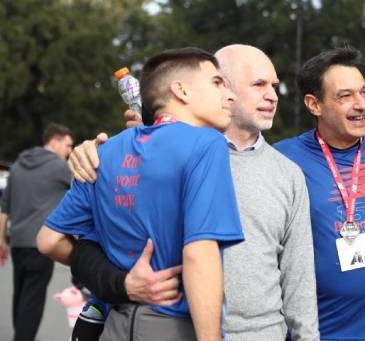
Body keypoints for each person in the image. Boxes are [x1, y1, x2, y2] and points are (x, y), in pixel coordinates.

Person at [66, 44, 320, 341]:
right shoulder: (155, 157)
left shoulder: (287, 174)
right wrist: (121, 283)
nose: (273, 95)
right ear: (221, 86)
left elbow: (298, 276)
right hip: (174, 330)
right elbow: (84, 244)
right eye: (259, 84)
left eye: (274, 86)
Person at [36, 47, 244, 341]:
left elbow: (48, 241)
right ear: (181, 90)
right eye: (217, 82)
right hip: (170, 325)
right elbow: (200, 253)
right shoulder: (207, 143)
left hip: (114, 325)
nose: (230, 95)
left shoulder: (102, 153)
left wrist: (118, 280)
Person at [274, 48, 365, 341]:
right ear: (313, 104)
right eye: (345, 96)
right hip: (324, 333)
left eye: (364, 92)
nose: (361, 104)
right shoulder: (283, 158)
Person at [0, 123, 73, 341]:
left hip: (18, 243)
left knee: (20, 295)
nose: (70, 151)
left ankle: (19, 335)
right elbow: (84, 189)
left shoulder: (17, 167)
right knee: (33, 300)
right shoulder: (60, 168)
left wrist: (1, 239)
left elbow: (5, 207)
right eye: (68, 145)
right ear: (54, 141)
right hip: (41, 245)